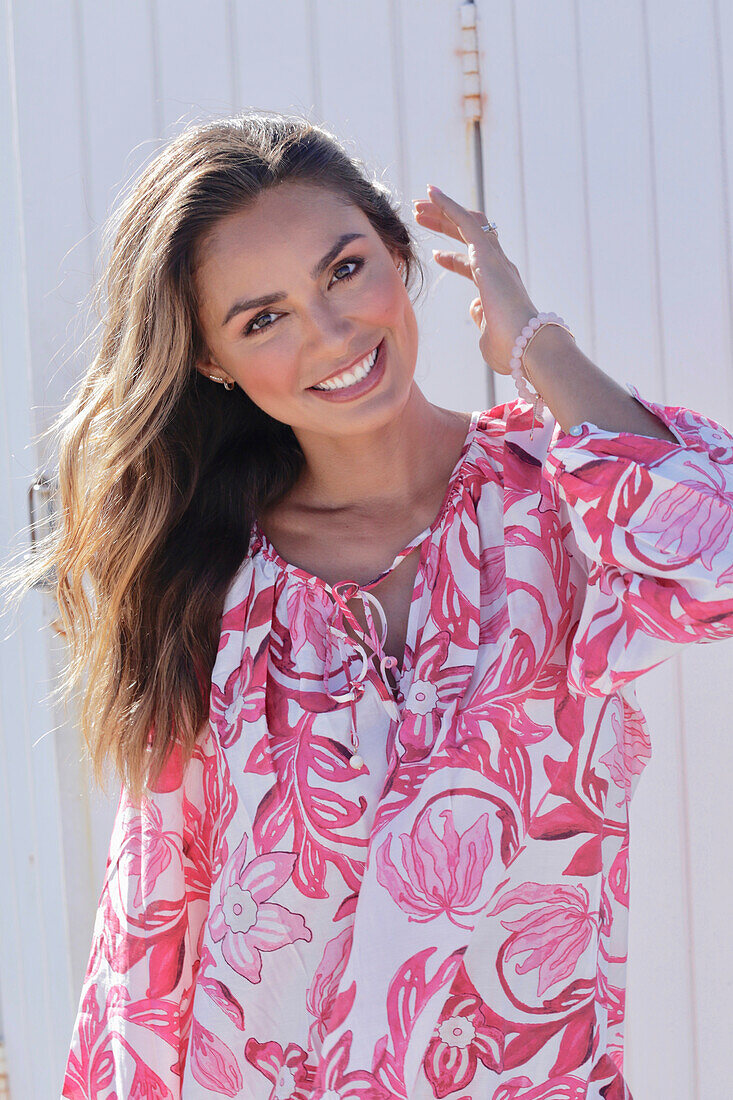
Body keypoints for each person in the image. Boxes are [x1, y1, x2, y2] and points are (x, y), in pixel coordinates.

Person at [7, 111, 733, 1099]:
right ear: (213, 360)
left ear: (399, 250)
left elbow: (712, 564)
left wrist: (533, 340)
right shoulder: (212, 586)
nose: (332, 332)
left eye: (345, 269)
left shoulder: (556, 501)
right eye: (263, 317)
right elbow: (151, 935)